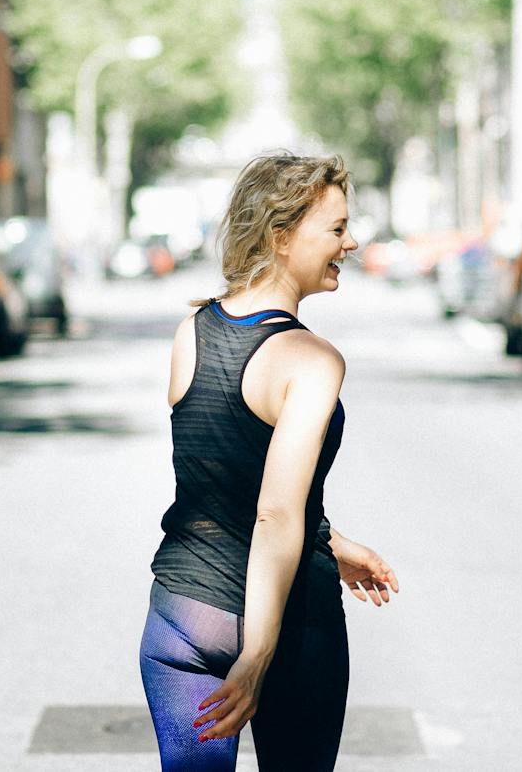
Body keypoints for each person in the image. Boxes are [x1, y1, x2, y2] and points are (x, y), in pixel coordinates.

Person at [140, 152, 399, 772]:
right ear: (281, 238)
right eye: (337, 229)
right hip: (284, 621)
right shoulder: (312, 360)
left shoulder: (192, 332)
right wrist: (257, 651)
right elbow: (275, 512)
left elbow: (224, 474)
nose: (352, 242)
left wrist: (331, 542)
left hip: (181, 613)